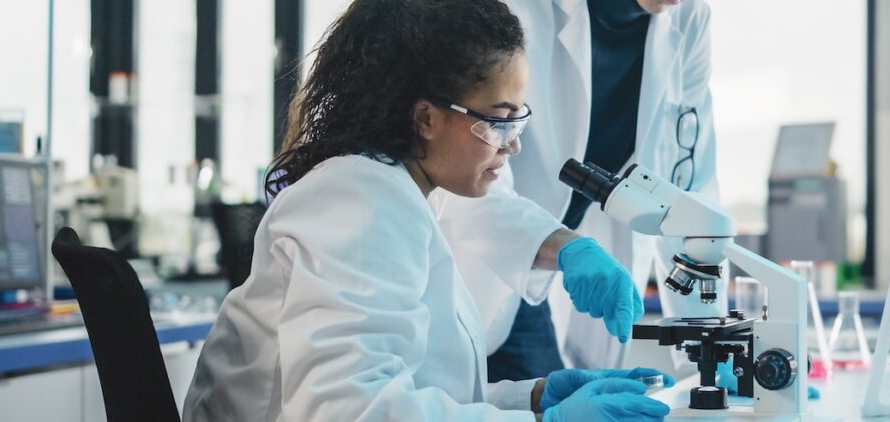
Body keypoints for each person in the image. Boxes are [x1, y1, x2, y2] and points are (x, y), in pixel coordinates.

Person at [181, 0, 672, 419]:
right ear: (426, 118)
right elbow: (349, 411)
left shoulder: (402, 196)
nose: (513, 147)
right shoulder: (359, 204)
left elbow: (410, 394)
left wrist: (535, 398)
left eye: (519, 121)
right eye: (499, 122)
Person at [432, 0, 722, 379]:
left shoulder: (689, 20)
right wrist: (563, 246)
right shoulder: (516, 9)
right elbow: (462, 170)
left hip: (570, 261)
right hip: (488, 259)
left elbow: (688, 191)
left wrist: (709, 347)